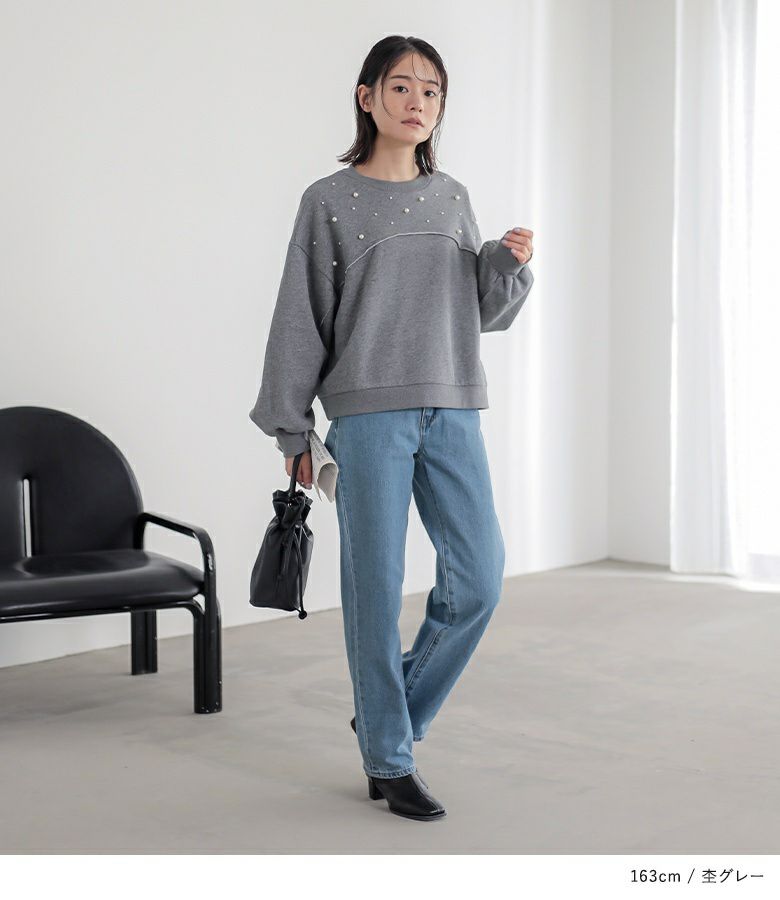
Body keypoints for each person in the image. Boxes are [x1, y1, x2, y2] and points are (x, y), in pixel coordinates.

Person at [249, 35, 534, 822]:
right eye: (402, 86)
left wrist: (505, 266)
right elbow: (299, 319)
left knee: (479, 579)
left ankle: (387, 717)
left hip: (453, 406)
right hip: (368, 416)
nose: (417, 101)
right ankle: (390, 757)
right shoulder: (328, 200)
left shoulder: (452, 197)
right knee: (374, 589)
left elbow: (479, 314)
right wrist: (293, 431)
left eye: (431, 90)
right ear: (367, 96)